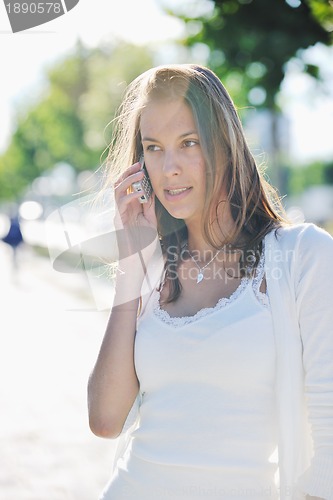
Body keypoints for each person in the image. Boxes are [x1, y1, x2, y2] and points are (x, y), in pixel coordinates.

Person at [87, 64, 333, 500]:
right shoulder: (151, 268)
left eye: (189, 143)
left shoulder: (302, 257)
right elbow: (106, 420)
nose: (169, 168)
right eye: (154, 148)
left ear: (225, 144)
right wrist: (131, 261)